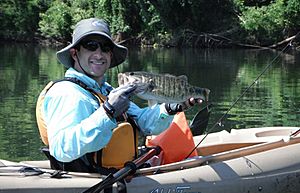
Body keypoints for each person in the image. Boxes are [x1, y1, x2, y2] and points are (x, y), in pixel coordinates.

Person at [36, 18, 202, 174]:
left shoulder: (106, 91)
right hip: (90, 182)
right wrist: (107, 112)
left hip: (120, 174)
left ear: (110, 54)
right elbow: (62, 149)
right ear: (74, 53)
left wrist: (171, 107)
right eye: (91, 45)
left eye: (105, 48)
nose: (99, 54)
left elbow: (143, 122)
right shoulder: (68, 94)